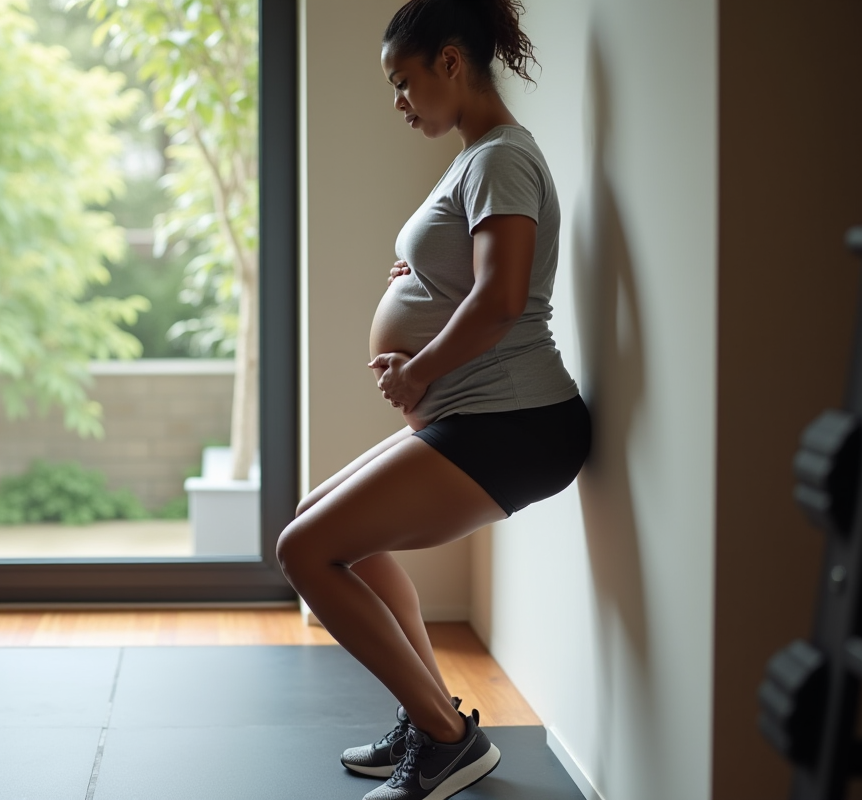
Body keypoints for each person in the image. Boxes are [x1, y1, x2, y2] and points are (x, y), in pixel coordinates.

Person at [275, 0, 591, 798]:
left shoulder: (500, 159)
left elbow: (502, 298)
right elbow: (471, 279)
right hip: (482, 416)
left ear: (451, 62)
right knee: (325, 525)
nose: (399, 102)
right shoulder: (476, 158)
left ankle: (448, 741)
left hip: (514, 422)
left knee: (305, 550)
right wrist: (420, 283)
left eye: (405, 82)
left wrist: (416, 372)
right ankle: (427, 717)